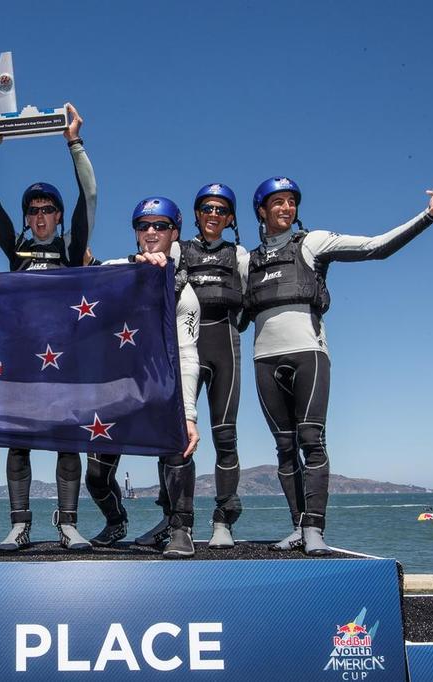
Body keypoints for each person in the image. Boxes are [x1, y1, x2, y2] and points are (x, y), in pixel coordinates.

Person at [246, 176, 433, 555]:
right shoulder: (250, 260)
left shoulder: (312, 242)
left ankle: (314, 529)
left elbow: (376, 248)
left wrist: (430, 215)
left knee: (311, 440)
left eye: (291, 201)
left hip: (308, 352)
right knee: (283, 446)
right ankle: (296, 525)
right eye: (277, 202)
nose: (286, 208)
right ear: (261, 209)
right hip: (264, 360)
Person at [0, 103, 96, 551]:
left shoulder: (73, 247)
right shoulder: (15, 251)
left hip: (67, 357)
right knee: (20, 442)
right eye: (34, 210)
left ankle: (67, 524)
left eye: (48, 209)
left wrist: (74, 142)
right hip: (23, 356)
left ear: (59, 215)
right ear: (26, 217)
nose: (41, 216)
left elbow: (91, 198)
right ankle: (19, 525)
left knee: (69, 442)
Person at [86, 197, 201, 558]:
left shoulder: (186, 292)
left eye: (160, 226)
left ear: (175, 233)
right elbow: (88, 270)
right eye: (144, 225)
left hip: (161, 390)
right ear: (136, 233)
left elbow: (187, 355)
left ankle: (180, 527)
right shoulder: (117, 269)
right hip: (117, 389)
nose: (151, 232)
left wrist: (190, 415)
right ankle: (116, 518)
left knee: (178, 448)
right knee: (96, 476)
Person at [178, 183, 249, 549]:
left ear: (230, 217)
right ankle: (177, 522)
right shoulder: (180, 250)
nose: (213, 215)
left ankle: (223, 520)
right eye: (207, 208)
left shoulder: (239, 255)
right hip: (186, 348)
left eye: (221, 210)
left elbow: (252, 301)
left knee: (225, 437)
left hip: (226, 347)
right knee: (177, 438)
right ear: (197, 213)